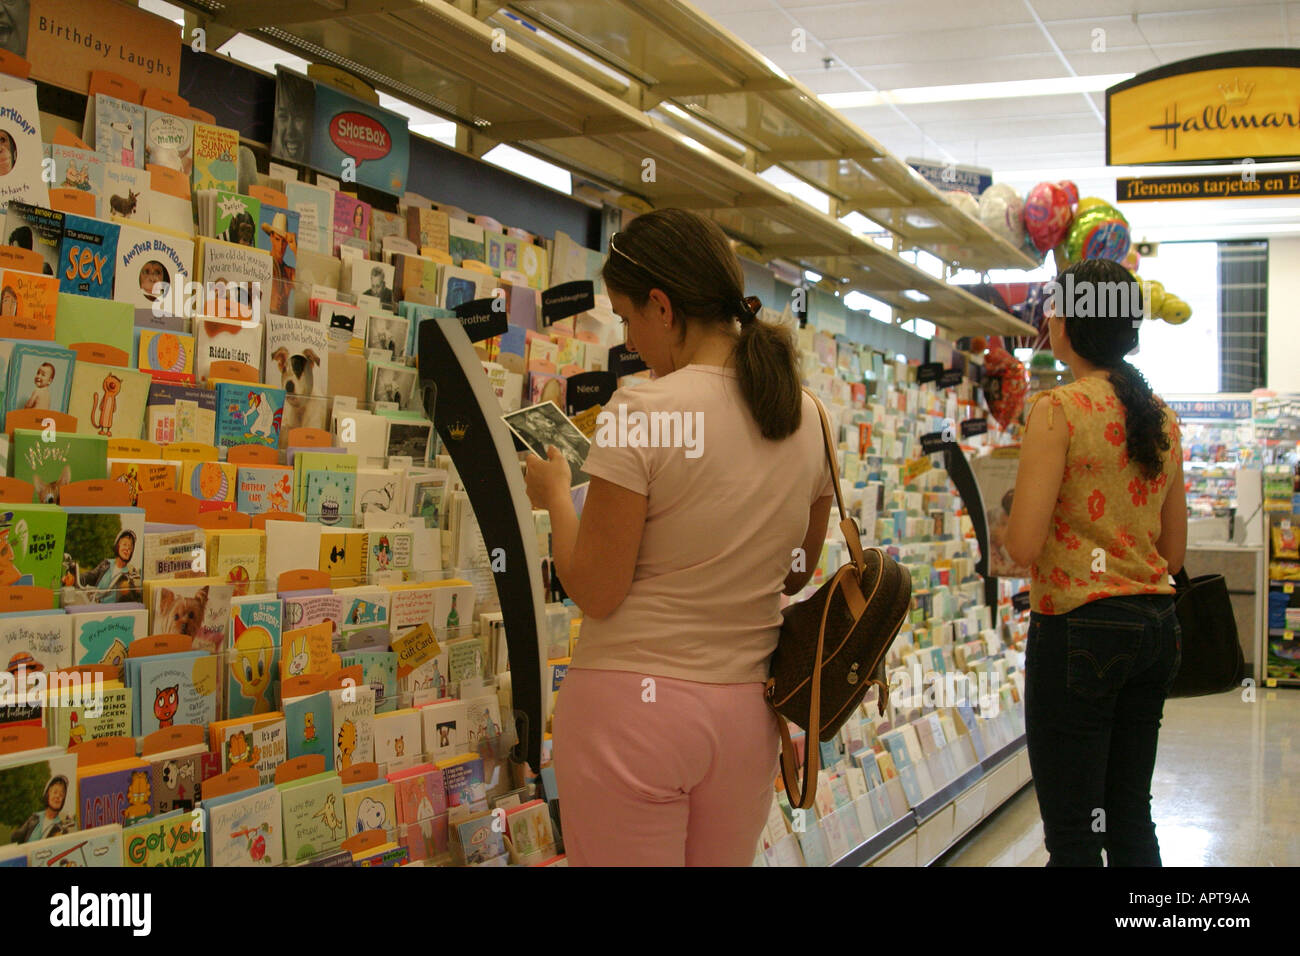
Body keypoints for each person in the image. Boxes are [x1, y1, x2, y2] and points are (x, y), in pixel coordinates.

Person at [524, 208, 835, 866]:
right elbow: (798, 570)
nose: (632, 340)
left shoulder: (644, 408)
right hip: (748, 716)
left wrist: (556, 498)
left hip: (633, 716)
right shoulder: (808, 416)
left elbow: (598, 589)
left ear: (662, 307)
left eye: (628, 317)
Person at [1004, 256, 1186, 867]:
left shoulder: (1057, 410)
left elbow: (1023, 546)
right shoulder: (1160, 416)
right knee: (1131, 815)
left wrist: (1008, 515)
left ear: (1069, 326)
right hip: (1156, 630)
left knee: (1077, 834)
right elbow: (1175, 552)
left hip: (1079, 631)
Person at [10, 775, 72, 844]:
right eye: (55, 792)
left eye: (61, 795)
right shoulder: (34, 818)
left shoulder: (62, 827)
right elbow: (15, 838)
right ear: (47, 795)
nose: (58, 796)